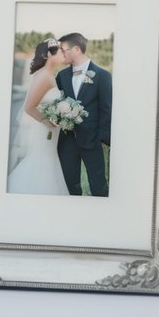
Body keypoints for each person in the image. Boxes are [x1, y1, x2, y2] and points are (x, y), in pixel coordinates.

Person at [7, 39, 69, 196]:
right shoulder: (43, 76)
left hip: (50, 133)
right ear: (50, 54)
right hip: (44, 132)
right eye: (61, 51)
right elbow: (29, 107)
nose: (64, 53)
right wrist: (48, 122)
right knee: (42, 162)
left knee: (48, 161)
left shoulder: (48, 74)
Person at [56, 33, 112, 197]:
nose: (61, 54)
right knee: (70, 187)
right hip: (67, 142)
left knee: (98, 186)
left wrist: (101, 138)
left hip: (92, 141)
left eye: (63, 50)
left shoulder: (103, 76)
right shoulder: (61, 76)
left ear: (76, 49)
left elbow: (106, 109)